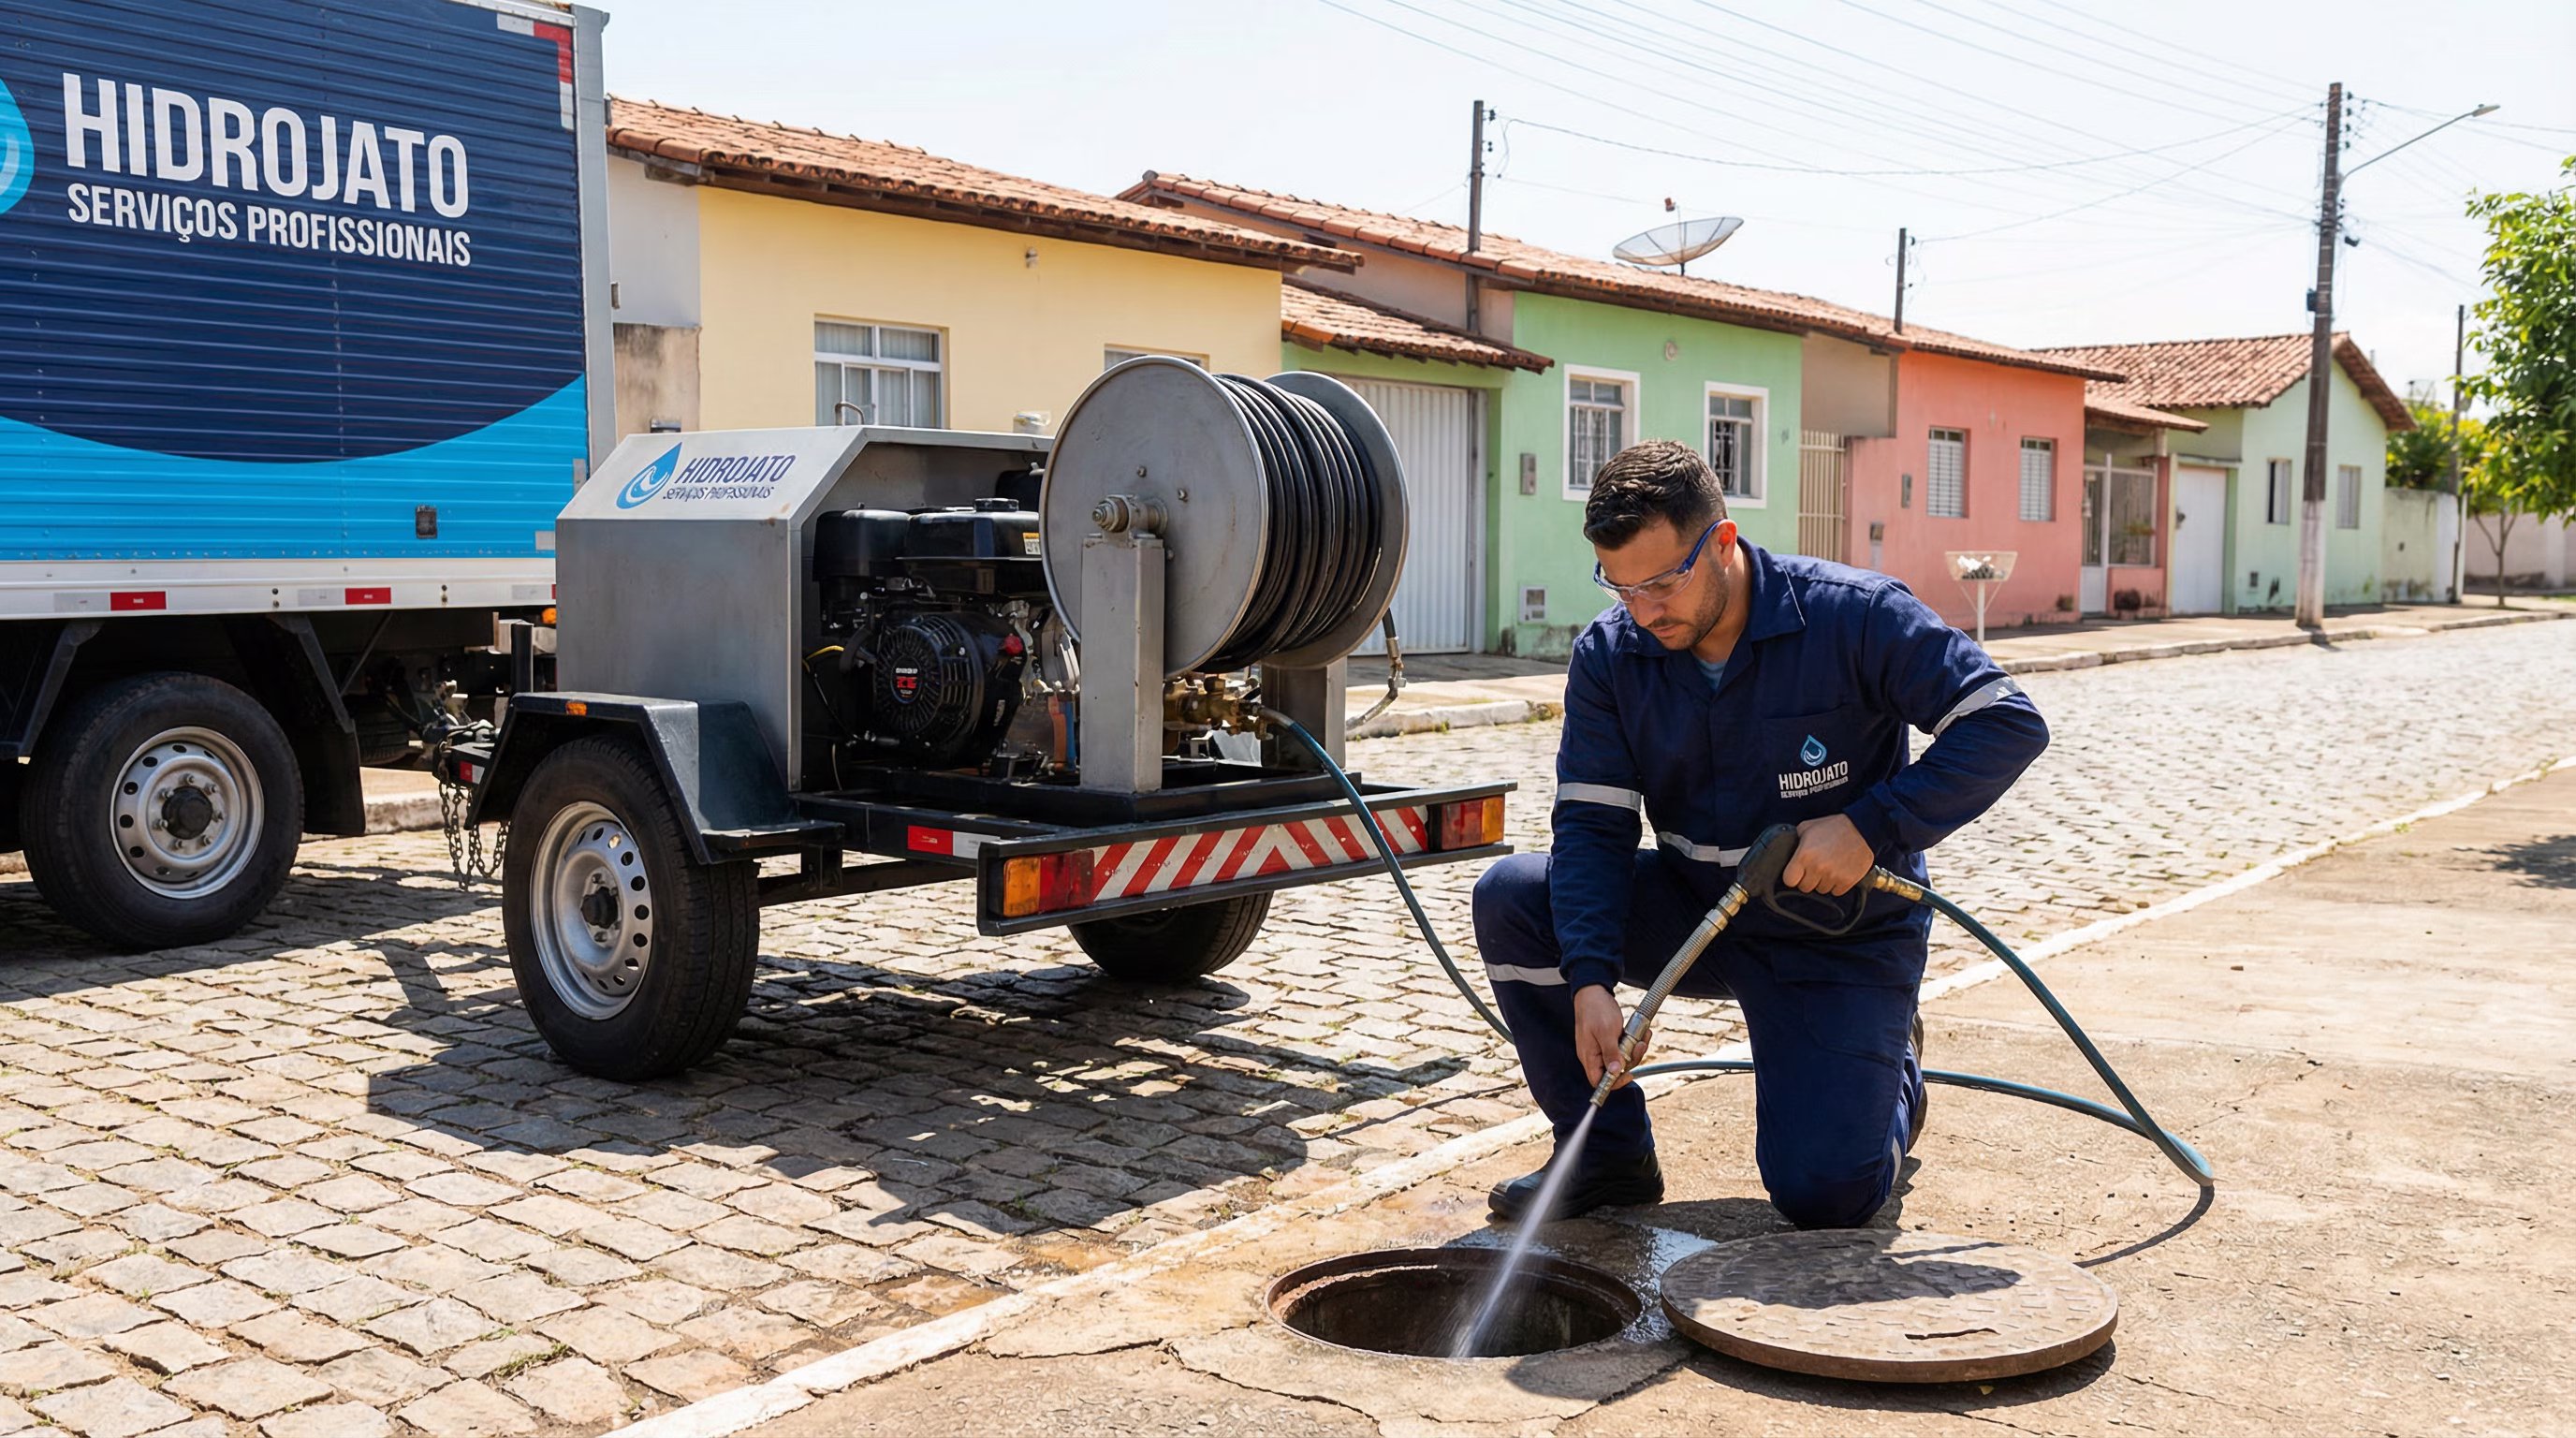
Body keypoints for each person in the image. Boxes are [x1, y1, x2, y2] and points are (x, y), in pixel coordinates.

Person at [1473, 440, 2048, 1229]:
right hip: (1698, 913)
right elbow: (1592, 828)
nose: (1644, 611)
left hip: (1838, 933)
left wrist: (1868, 825)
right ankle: (1604, 1156)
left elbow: (2005, 724)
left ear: (1723, 542)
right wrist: (1591, 980)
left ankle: (1893, 1066)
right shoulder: (1613, 657)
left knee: (1826, 1197)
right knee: (1512, 897)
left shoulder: (1855, 616)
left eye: (1664, 582)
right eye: (1621, 585)